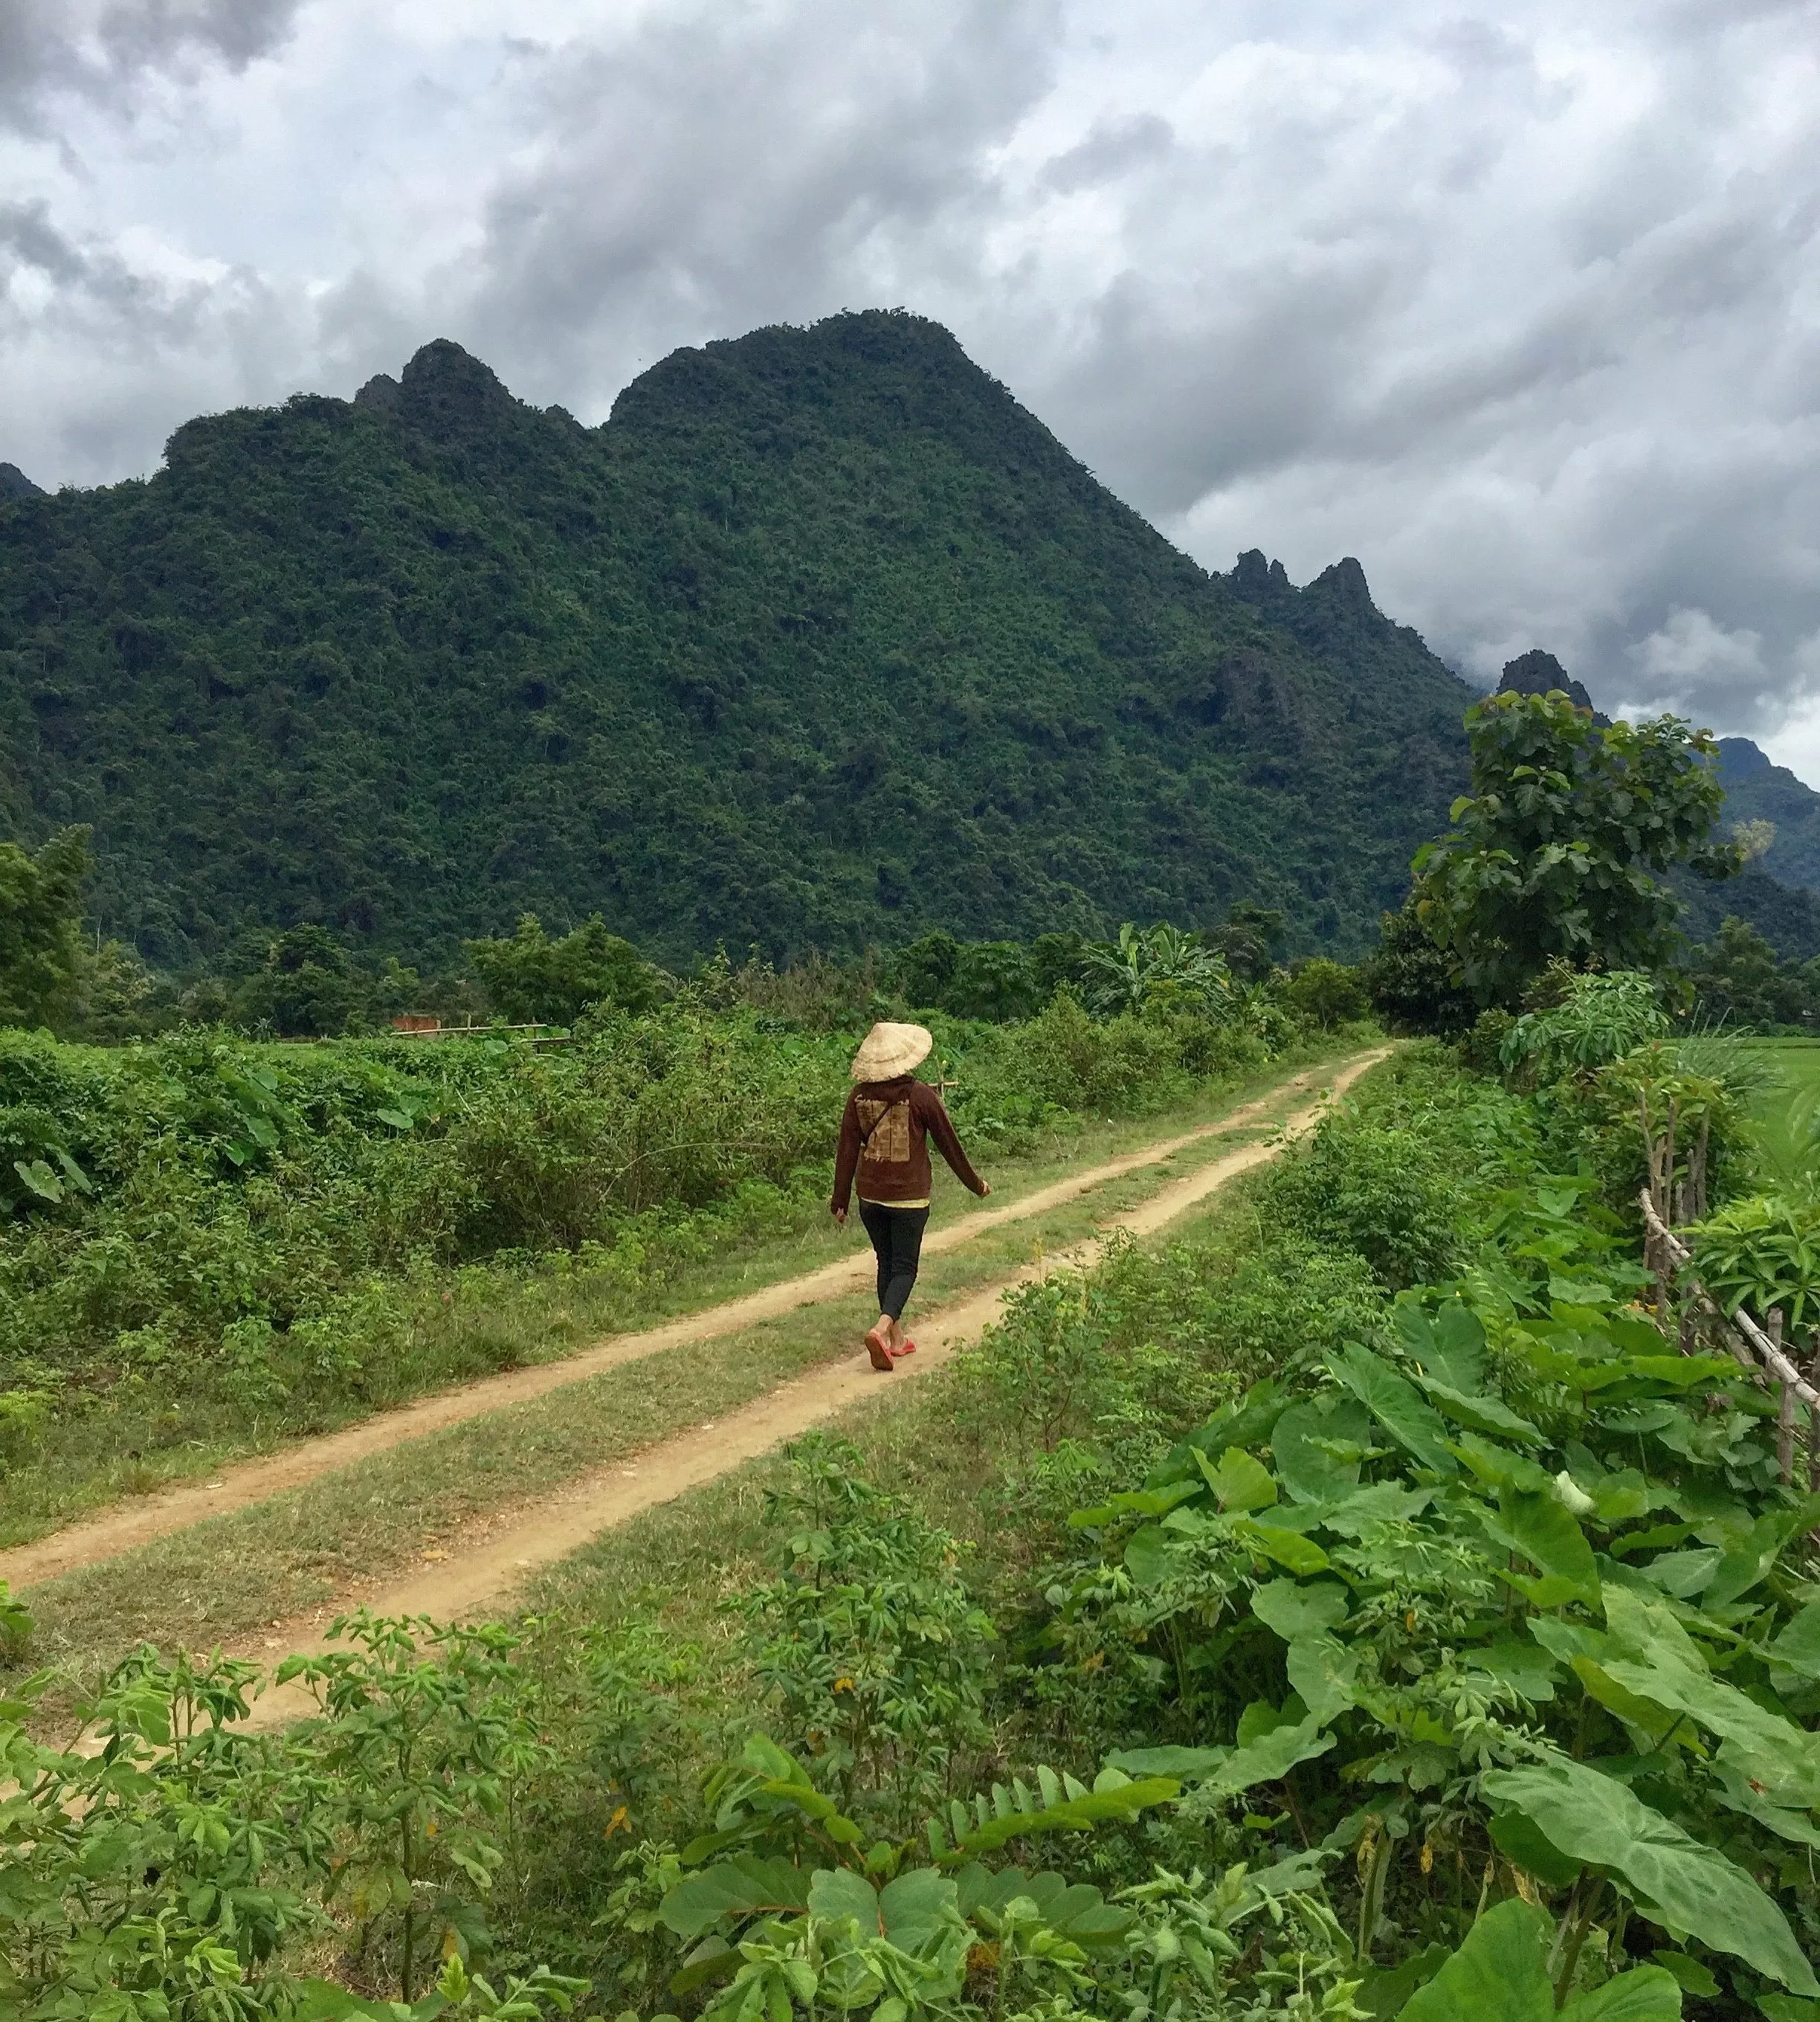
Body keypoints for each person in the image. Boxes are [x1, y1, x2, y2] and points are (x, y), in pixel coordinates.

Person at [831, 1021, 990, 1372]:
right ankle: (881, 1328)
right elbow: (950, 1146)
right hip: (908, 1198)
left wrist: (839, 1200)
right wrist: (975, 1184)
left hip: (869, 1197)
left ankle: (897, 1341)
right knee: (905, 1267)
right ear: (908, 1059)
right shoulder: (921, 1096)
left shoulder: (858, 1097)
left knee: (885, 1262)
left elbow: (846, 1151)